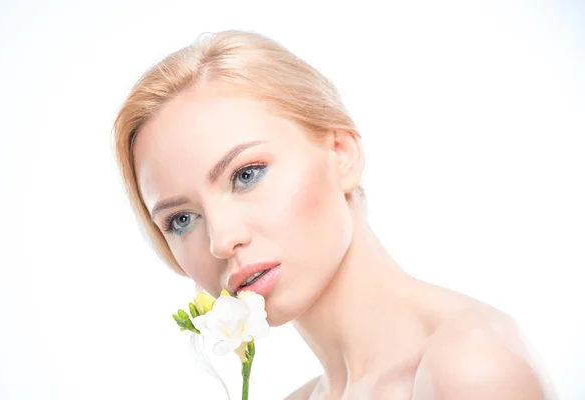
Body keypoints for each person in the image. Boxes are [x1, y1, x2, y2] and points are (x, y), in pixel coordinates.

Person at [113, 30, 557, 399]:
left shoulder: (471, 371)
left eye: (246, 175)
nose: (221, 240)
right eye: (182, 220)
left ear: (342, 154)